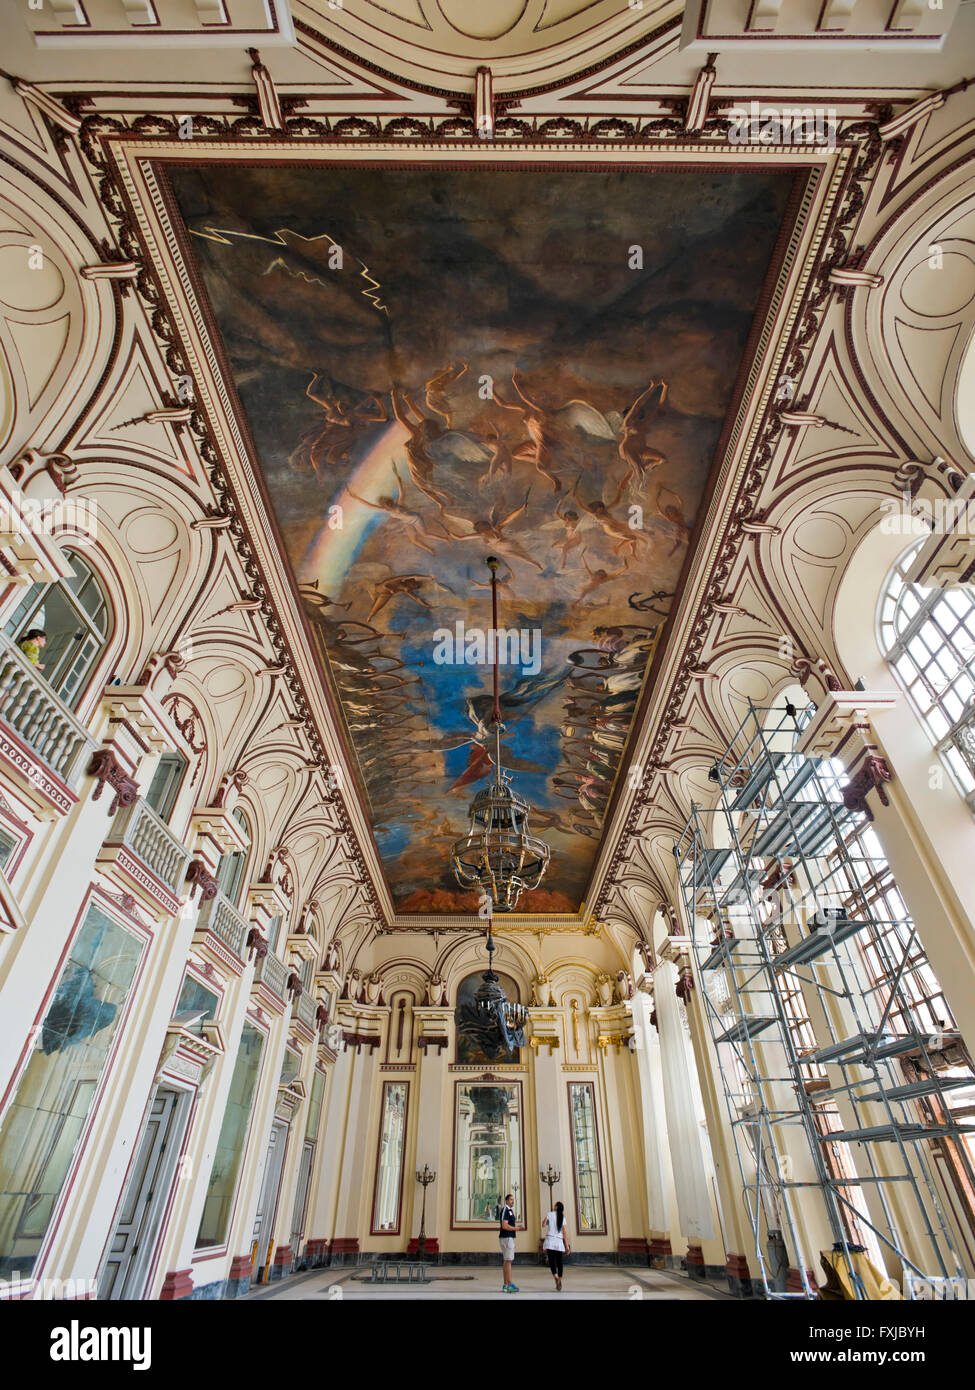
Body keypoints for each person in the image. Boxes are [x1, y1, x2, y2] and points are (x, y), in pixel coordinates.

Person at [542, 1200, 570, 1291]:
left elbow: (543, 1224)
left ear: (556, 1207)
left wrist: (547, 1221)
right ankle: (560, 1279)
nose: (553, 1206)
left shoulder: (550, 1214)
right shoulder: (563, 1217)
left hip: (550, 1240)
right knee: (559, 1262)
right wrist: (567, 1246)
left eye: (555, 1205)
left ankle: (556, 1277)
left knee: (551, 1261)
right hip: (558, 1241)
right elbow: (564, 1233)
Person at [499, 1193, 518, 1293]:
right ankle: (509, 1283)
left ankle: (506, 1284)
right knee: (509, 1260)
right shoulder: (505, 1210)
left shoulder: (510, 1211)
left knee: (507, 1261)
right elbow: (504, 1226)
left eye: (513, 1199)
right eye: (510, 1199)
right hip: (506, 1237)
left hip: (509, 1237)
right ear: (506, 1201)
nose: (512, 1201)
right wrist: (516, 1228)